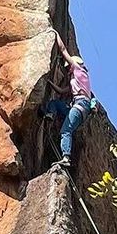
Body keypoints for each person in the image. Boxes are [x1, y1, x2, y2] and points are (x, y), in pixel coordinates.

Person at [45, 31, 92, 167]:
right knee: (55, 104)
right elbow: (61, 91)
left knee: (66, 131)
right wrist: (50, 83)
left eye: (68, 67)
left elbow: (63, 50)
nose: (68, 70)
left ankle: (66, 157)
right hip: (80, 107)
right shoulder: (75, 80)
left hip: (80, 104)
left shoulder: (79, 70)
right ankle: (49, 114)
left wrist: (55, 33)